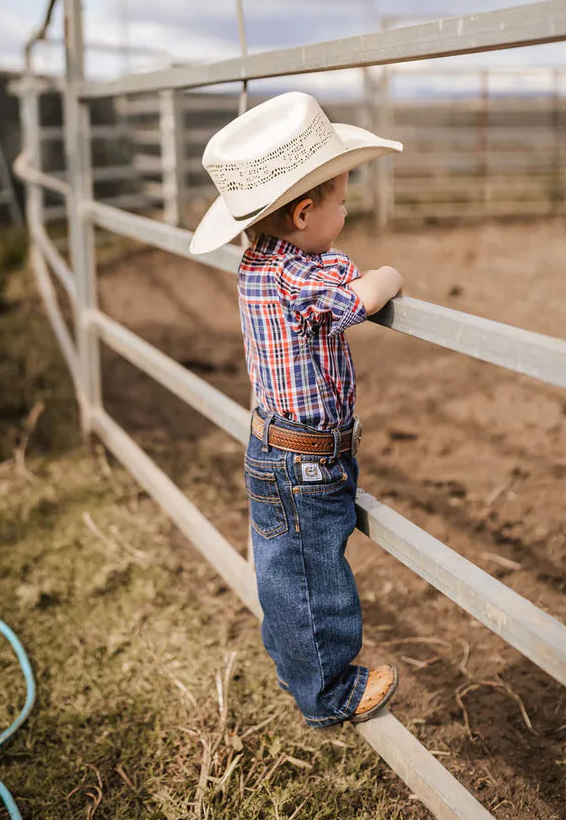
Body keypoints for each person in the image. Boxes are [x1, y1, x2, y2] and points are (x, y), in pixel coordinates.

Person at [189, 91, 404, 727]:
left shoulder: (257, 263)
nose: (348, 208)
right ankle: (328, 697)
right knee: (313, 575)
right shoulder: (302, 277)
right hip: (305, 462)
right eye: (341, 200)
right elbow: (355, 301)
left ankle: (297, 667)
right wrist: (388, 274)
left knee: (288, 570)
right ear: (305, 213)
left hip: (274, 448)